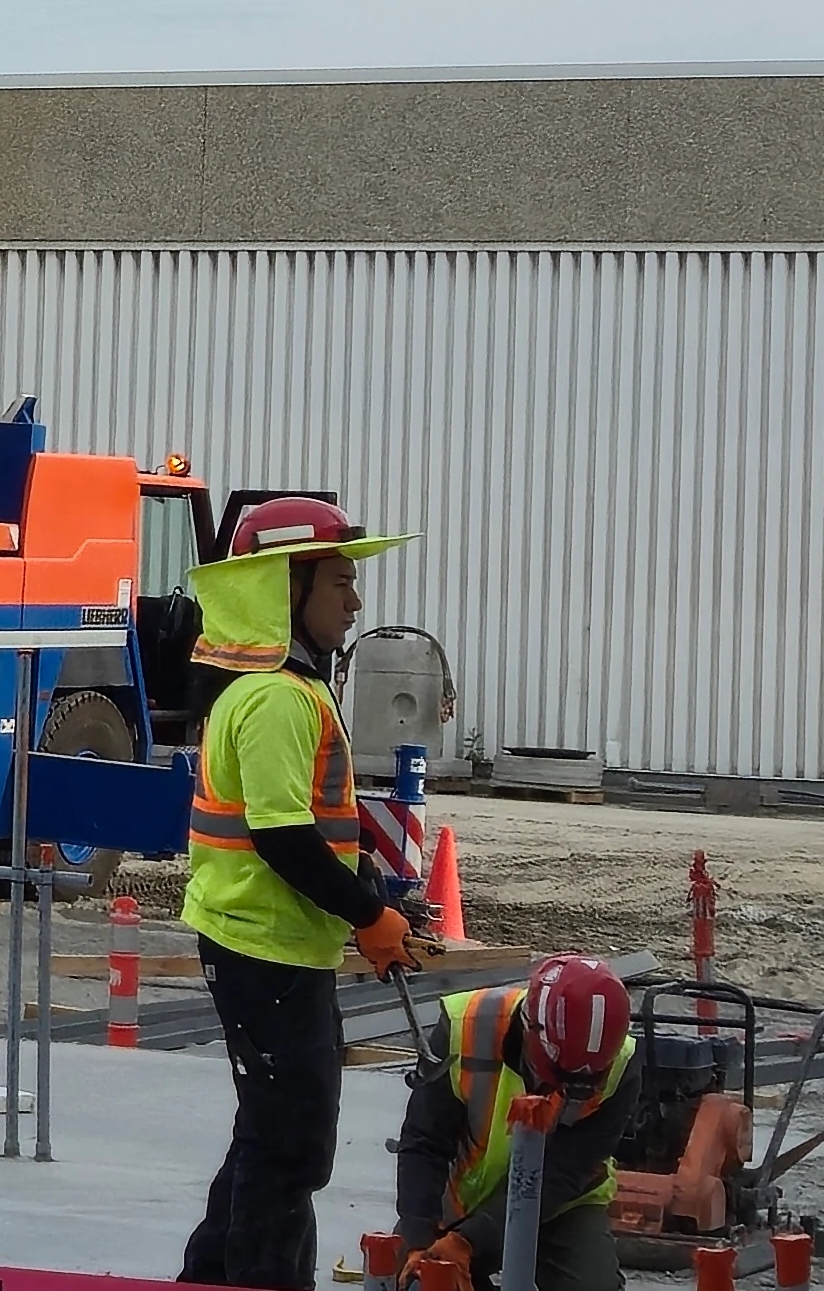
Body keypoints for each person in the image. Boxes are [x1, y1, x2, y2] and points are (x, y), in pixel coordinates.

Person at [177, 496, 433, 1290]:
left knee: (271, 1135)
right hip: (266, 948)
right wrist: (368, 914)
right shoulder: (280, 698)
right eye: (339, 583)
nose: (355, 603)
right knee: (290, 1145)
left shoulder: (280, 689)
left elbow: (320, 829)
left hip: (268, 942)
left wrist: (375, 899)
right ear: (288, 589)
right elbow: (283, 838)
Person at [396, 954, 642, 1291]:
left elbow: (567, 1171)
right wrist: (418, 1237)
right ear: (532, 1032)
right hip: (463, 1201)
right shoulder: (466, 1027)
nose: (569, 1090)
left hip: (561, 1205)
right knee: (417, 1279)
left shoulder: (623, 1063)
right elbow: (424, 1142)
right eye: (562, 1076)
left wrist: (472, 1240)